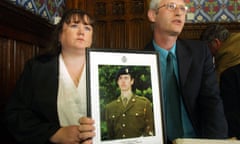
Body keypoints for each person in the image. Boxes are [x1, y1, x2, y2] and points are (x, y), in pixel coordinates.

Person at [4, 9, 95, 144]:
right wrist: (55, 134)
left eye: (87, 28)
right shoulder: (36, 68)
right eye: (74, 25)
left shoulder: (105, 68)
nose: (81, 32)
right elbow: (15, 115)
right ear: (59, 35)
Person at [144, 0, 228, 143]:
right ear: (153, 15)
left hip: (196, 140)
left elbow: (212, 103)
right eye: (171, 6)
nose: (179, 12)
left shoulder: (200, 53)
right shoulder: (138, 60)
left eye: (183, 9)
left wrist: (217, 142)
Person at [200, 24, 240, 139]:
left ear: (216, 43)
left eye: (208, 50)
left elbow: (214, 91)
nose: (209, 55)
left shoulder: (226, 65)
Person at [104, 66, 154, 139]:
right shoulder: (110, 107)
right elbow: (111, 136)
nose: (123, 81)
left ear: (132, 81)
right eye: (120, 78)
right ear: (117, 82)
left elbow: (149, 133)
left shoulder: (144, 103)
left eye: (126, 78)